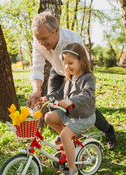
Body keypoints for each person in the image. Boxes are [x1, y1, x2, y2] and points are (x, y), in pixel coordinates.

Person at [27, 11, 116, 150]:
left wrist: (74, 96)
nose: (41, 43)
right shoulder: (38, 38)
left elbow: (84, 68)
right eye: (38, 38)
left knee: (80, 104)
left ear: (56, 31)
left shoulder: (72, 40)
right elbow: (37, 66)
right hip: (57, 69)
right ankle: (69, 135)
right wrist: (37, 90)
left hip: (78, 68)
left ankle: (108, 129)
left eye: (44, 38)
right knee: (51, 103)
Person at [40, 43, 95, 175]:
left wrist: (71, 101)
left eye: (70, 63)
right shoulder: (70, 78)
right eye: (65, 63)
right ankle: (69, 143)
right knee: (49, 117)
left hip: (83, 117)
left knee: (65, 134)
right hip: (70, 114)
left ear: (81, 61)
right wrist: (47, 97)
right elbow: (59, 93)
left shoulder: (88, 78)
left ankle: (72, 168)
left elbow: (87, 94)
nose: (67, 67)